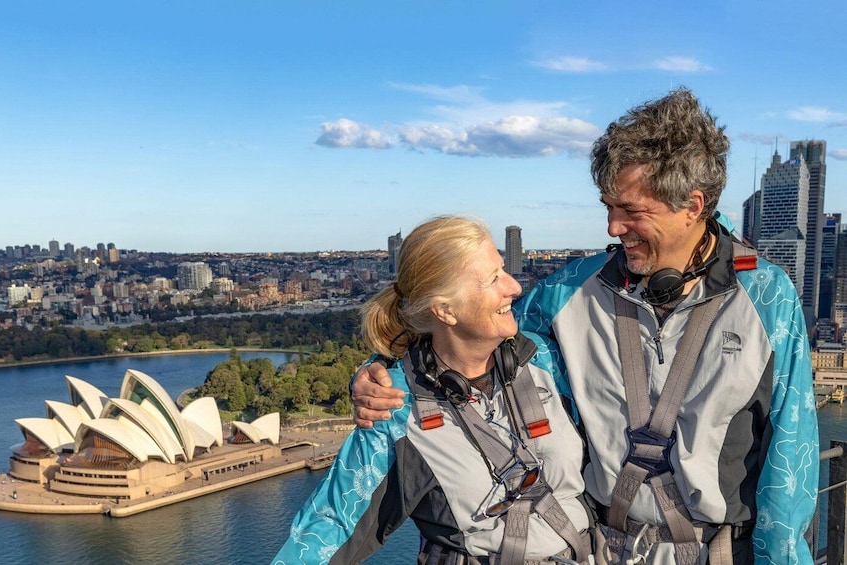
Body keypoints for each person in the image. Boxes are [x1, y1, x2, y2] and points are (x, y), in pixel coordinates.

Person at [351, 88, 819, 564]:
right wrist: (383, 368)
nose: (613, 228)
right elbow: (469, 337)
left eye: (632, 211)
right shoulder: (568, 291)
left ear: (693, 206)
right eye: (608, 207)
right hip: (603, 550)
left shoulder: (767, 298)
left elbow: (790, 462)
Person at [274, 215, 593, 564]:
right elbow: (329, 528)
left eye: (503, 269)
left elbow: (597, 279)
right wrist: (388, 368)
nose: (515, 287)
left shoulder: (542, 357)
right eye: (493, 278)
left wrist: (378, 359)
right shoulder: (395, 407)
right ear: (445, 309)